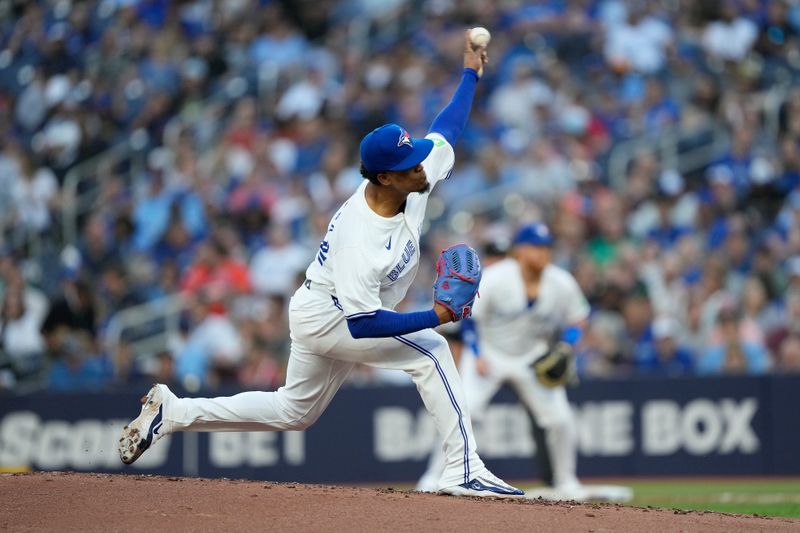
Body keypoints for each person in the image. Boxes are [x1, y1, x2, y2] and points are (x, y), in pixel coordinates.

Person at [118, 30, 523, 498]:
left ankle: (175, 412)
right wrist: (436, 317)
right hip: (332, 314)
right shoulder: (360, 236)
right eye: (411, 164)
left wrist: (470, 72)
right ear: (384, 176)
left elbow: (446, 129)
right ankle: (462, 467)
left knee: (295, 412)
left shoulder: (409, 178)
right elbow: (363, 325)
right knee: (431, 350)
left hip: (324, 304)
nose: (423, 167)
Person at [417, 222, 628, 502]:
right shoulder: (497, 277)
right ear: (520, 251)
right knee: (461, 412)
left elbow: (578, 317)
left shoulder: (560, 281)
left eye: (546, 248)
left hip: (531, 357)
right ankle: (432, 477)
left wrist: (566, 346)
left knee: (560, 420)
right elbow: (470, 319)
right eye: (536, 248)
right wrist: (476, 354)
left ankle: (567, 482)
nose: (543, 254)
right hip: (489, 354)